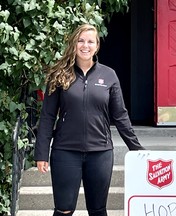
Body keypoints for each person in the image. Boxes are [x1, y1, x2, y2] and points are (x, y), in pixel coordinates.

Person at [34, 23, 145, 216]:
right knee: (64, 209)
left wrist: (137, 150)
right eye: (81, 41)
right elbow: (47, 116)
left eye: (90, 41)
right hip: (65, 151)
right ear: (74, 44)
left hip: (100, 153)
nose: (85, 46)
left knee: (97, 209)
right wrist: (41, 153)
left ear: (97, 46)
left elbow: (120, 116)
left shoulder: (109, 75)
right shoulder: (59, 75)